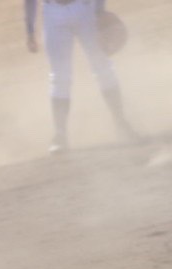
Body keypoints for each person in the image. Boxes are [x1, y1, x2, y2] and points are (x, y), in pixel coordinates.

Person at [24, 0, 139, 154]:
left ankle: (121, 124)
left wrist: (99, 11)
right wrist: (30, 30)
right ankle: (60, 136)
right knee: (59, 76)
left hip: (85, 9)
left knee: (102, 67)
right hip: (53, 12)